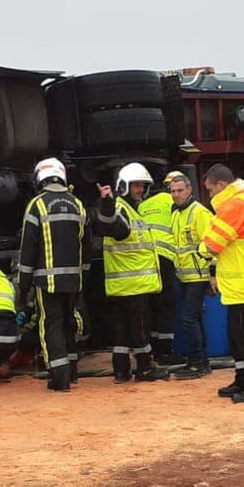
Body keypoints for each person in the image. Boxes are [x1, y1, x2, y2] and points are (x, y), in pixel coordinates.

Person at [200, 163, 244, 402]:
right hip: (242, 281)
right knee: (237, 335)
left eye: (211, 190)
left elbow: (211, 246)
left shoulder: (233, 206)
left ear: (221, 186)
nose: (210, 196)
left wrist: (201, 247)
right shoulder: (243, 198)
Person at [93, 161, 169, 383]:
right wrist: (106, 202)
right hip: (134, 285)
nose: (140, 190)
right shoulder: (120, 208)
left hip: (123, 285)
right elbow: (115, 228)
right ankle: (145, 369)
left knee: (122, 331)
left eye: (142, 186)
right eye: (136, 185)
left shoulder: (130, 209)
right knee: (140, 330)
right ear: (124, 186)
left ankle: (121, 371)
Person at [16, 156, 86, 392]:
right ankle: (73, 372)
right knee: (68, 323)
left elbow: (28, 248)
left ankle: (60, 378)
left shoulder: (37, 205)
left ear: (39, 178)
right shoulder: (77, 204)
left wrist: (22, 287)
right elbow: (85, 245)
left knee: (51, 326)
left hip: (48, 282)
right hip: (73, 280)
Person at [166, 169, 215, 378]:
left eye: (179, 190)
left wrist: (213, 274)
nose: (176, 194)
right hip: (185, 275)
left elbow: (212, 245)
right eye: (173, 191)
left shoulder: (199, 213)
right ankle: (202, 361)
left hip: (199, 274)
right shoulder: (177, 213)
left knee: (188, 318)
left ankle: (196, 362)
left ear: (189, 190)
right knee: (195, 318)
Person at [137, 172, 178, 364]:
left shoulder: (144, 205)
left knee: (151, 305)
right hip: (166, 259)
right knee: (167, 305)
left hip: (146, 260)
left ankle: (151, 348)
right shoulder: (175, 204)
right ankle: (166, 352)